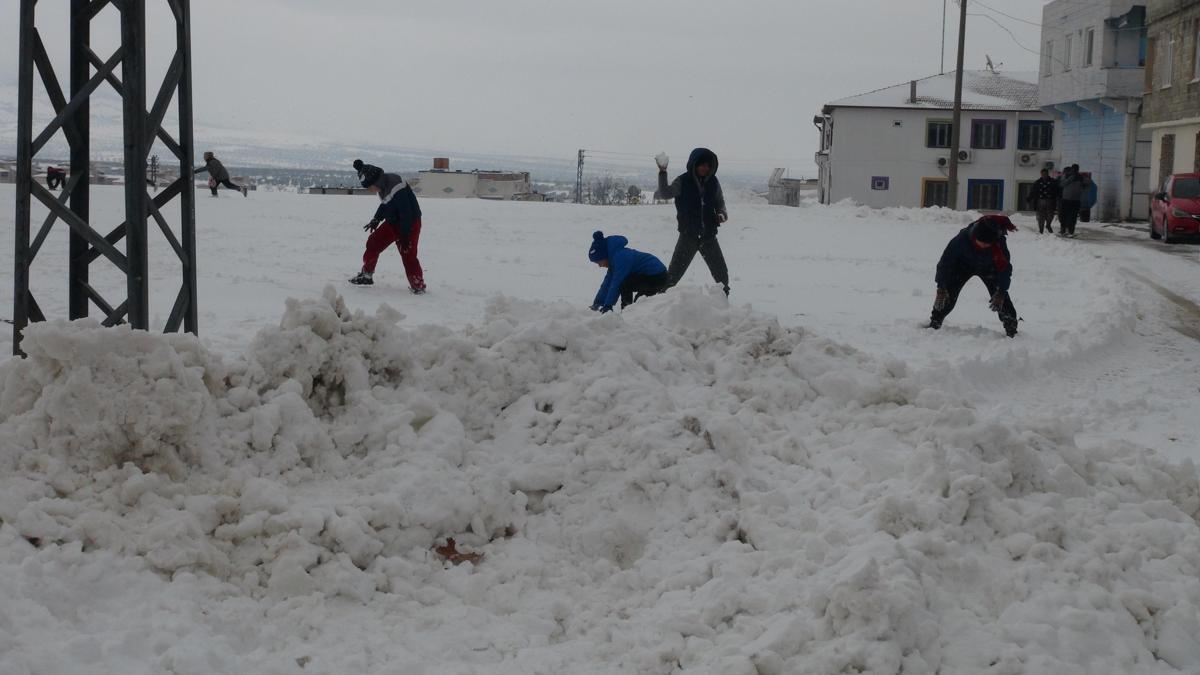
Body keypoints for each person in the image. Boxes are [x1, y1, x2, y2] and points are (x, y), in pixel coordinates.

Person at [929, 214, 1020, 337]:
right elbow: (945, 263)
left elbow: (1004, 269)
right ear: (975, 236)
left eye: (986, 244)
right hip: (963, 266)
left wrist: (1002, 291)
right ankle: (935, 321)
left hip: (989, 268)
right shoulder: (961, 240)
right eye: (980, 242)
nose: (982, 246)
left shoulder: (998, 245)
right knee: (948, 293)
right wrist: (941, 287)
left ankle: (1011, 326)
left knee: (1000, 296)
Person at [654, 148, 730, 295]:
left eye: (708, 165)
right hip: (688, 236)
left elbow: (720, 203)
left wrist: (722, 213)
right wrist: (663, 172)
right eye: (702, 165)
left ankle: (723, 304)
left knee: (721, 275)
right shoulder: (683, 181)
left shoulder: (713, 182)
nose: (705, 168)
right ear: (694, 164)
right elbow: (665, 193)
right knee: (672, 276)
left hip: (708, 237)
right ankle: (661, 303)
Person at [349, 159, 426, 293]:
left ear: (375, 181)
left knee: (408, 254)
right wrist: (376, 218)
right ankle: (367, 275)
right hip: (393, 222)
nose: (370, 190)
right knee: (373, 243)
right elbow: (386, 204)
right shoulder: (383, 186)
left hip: (410, 223)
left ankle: (418, 285)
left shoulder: (396, 185)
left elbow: (406, 213)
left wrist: (404, 235)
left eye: (369, 186)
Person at [588, 230, 669, 313]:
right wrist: (598, 302)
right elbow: (607, 283)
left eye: (599, 262)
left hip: (657, 276)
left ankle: (627, 312)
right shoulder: (614, 260)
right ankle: (629, 311)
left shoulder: (621, 258)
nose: (599, 265)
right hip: (646, 276)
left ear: (604, 255)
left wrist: (608, 306)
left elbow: (616, 283)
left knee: (628, 289)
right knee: (639, 301)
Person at [1057, 164, 1091, 237]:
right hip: (1065, 199)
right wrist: (1071, 178)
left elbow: (1089, 183)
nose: (1075, 170)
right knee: (1063, 216)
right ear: (1071, 169)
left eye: (1076, 169)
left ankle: (1070, 231)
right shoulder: (1066, 176)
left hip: (1075, 200)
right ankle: (1063, 230)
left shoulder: (1080, 177)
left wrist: (1083, 185)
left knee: (1072, 217)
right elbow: (1061, 184)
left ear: (1078, 170)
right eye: (1073, 169)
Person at [1026, 168, 1059, 234]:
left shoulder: (1053, 181)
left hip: (1050, 201)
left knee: (1050, 216)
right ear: (1041, 174)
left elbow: (1057, 191)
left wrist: (1058, 198)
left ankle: (1048, 225)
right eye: (1043, 174)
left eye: (1045, 174)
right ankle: (1041, 229)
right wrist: (1029, 198)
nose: (1044, 175)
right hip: (1040, 201)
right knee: (1041, 217)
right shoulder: (1037, 182)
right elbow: (1033, 191)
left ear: (1047, 174)